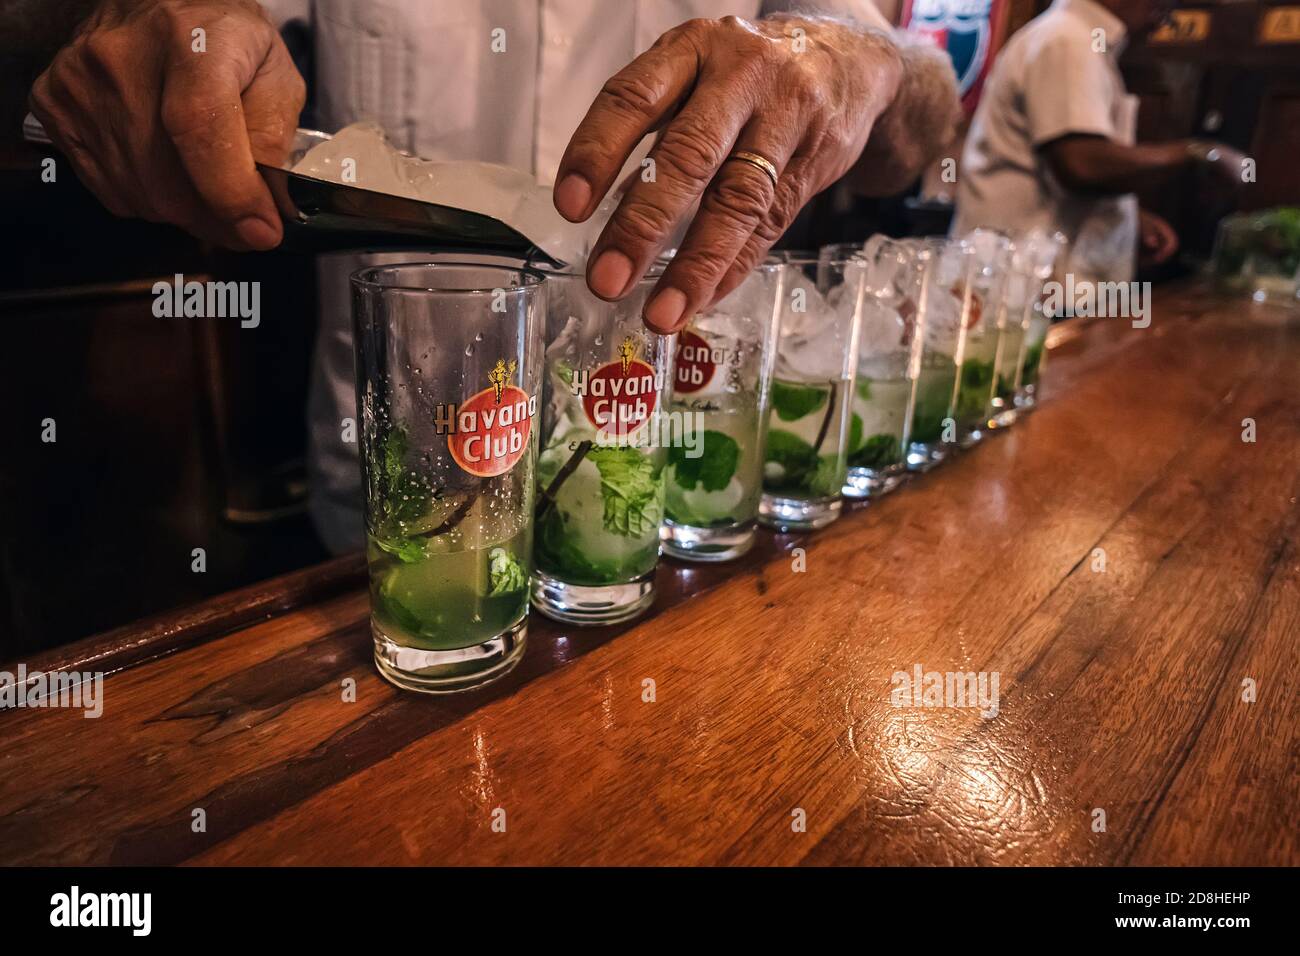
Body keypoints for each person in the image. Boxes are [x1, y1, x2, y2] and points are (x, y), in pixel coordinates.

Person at [25, 0, 960, 551]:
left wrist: (855, 60)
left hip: (661, 496)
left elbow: (923, 110)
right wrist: (135, 23)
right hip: (393, 494)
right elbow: (146, 26)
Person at [952, 0, 1247, 286]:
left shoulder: (1077, 37)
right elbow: (1081, 165)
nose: (1164, 16)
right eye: (1162, 6)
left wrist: (1128, 218)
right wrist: (1199, 153)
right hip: (1021, 292)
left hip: (1028, 285)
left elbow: (1046, 168)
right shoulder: (1068, 39)